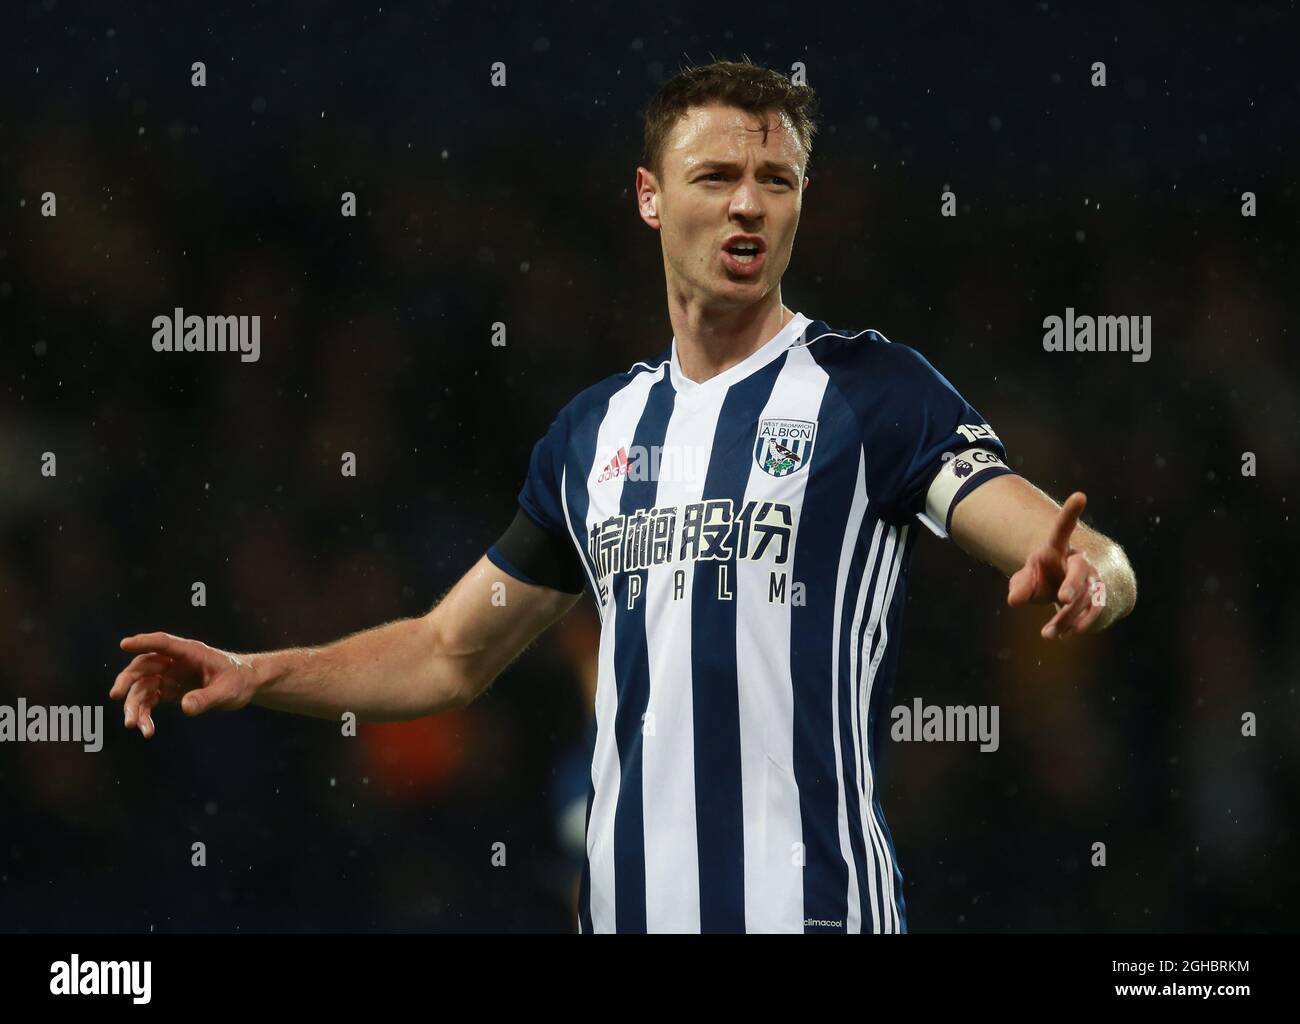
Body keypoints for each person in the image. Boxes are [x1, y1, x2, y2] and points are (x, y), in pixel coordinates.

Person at [111, 59, 1136, 933]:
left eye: (777, 178)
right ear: (650, 195)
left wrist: (1088, 577)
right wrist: (257, 670)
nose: (748, 202)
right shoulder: (593, 435)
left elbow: (1076, 547)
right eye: (718, 174)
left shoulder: (873, 394)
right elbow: (446, 652)